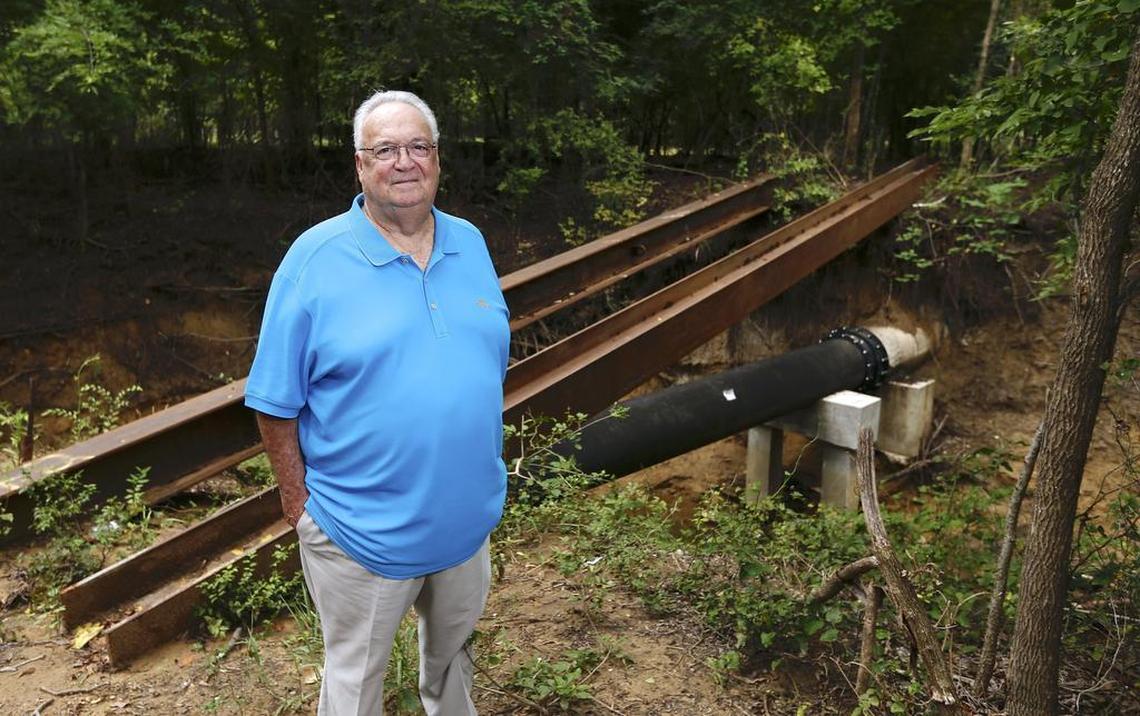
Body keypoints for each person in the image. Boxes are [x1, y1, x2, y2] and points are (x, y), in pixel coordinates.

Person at [244, 89, 510, 715]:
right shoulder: (313, 259)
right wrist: (298, 503)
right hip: (359, 532)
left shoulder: (469, 242)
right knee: (354, 685)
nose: (405, 161)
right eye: (386, 149)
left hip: (465, 525)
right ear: (360, 166)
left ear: (438, 160)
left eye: (419, 146)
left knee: (453, 672)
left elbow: (485, 361)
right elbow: (273, 399)